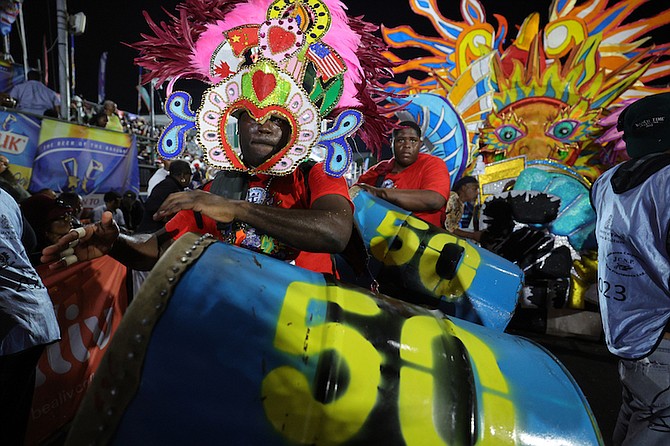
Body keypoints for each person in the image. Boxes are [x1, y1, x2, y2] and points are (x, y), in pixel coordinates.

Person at [40, 0, 394, 277]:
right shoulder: (216, 189)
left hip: (305, 336)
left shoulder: (315, 175)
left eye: (277, 116)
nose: (264, 124)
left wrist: (238, 210)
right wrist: (116, 243)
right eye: (251, 114)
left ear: (296, 123)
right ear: (233, 122)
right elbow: (157, 250)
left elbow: (335, 231)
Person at [590, 92, 670, 446]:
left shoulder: (605, 183)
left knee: (635, 416)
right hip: (665, 336)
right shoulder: (667, 182)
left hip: (630, 335)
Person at [0, 189, 60, 445]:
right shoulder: (4, 196)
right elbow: (30, 241)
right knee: (12, 417)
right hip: (32, 313)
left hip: (9, 322)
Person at [355, 121, 451, 227]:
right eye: (400, 140)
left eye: (413, 140)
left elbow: (434, 200)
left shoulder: (432, 164)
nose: (407, 146)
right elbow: (355, 196)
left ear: (420, 144)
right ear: (392, 143)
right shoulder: (378, 171)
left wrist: (380, 193)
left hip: (421, 238)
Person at [136, 160, 191, 234]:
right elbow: (153, 209)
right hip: (152, 233)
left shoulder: (171, 185)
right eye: (189, 174)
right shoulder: (168, 187)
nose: (190, 178)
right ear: (182, 175)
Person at [445, 175, 482, 242]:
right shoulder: (453, 198)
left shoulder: (460, 205)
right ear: (464, 188)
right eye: (475, 189)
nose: (477, 193)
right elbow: (449, 228)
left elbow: (453, 227)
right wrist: (472, 235)